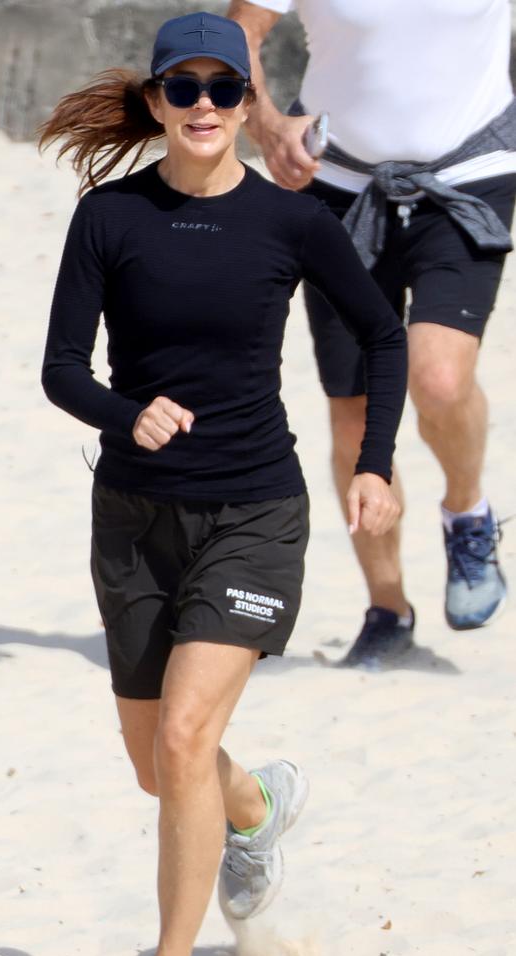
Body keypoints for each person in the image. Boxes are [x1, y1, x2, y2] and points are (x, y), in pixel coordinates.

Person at [39, 12, 407, 956]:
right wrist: (126, 413)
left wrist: (373, 462)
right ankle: (252, 811)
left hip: (253, 509)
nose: (204, 105)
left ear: (250, 105)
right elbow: (61, 370)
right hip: (132, 515)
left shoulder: (291, 222)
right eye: (184, 88)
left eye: (224, 88)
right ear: (156, 101)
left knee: (183, 736)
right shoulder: (108, 218)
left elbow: (381, 335)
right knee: (158, 764)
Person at [228, 0, 516, 667]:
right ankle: (388, 609)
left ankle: (466, 513)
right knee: (356, 417)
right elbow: (239, 31)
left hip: (470, 174)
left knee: (439, 376)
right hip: (335, 186)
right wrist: (266, 125)